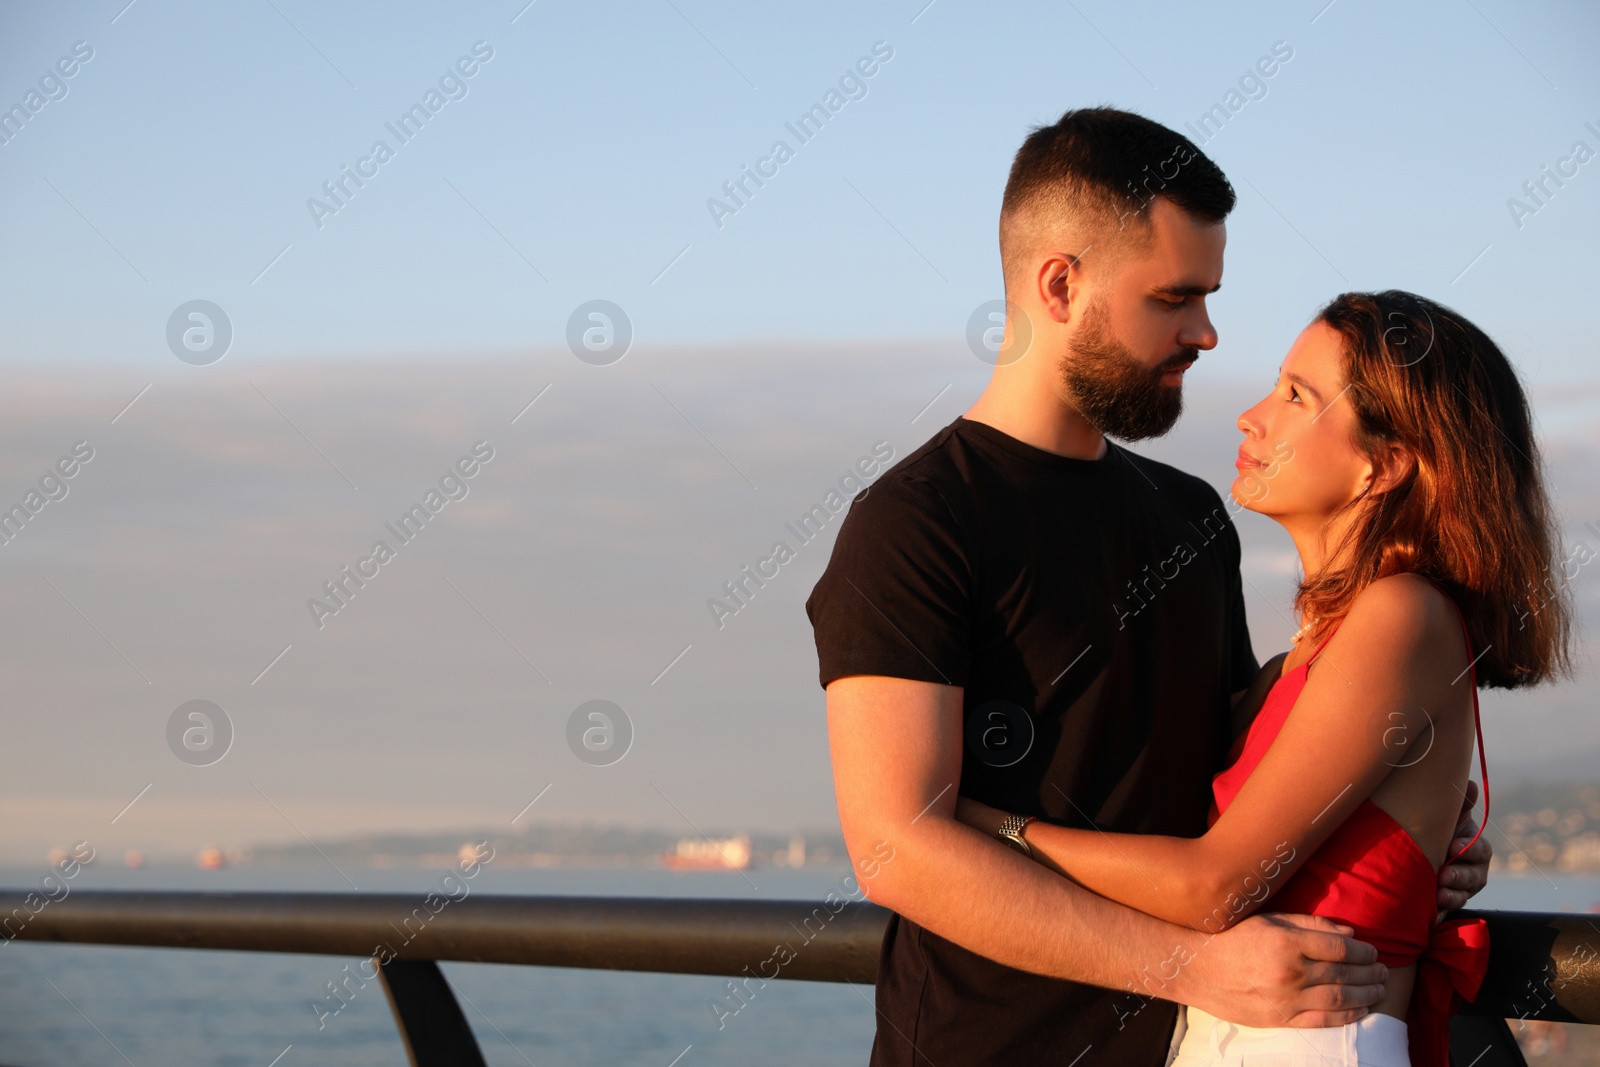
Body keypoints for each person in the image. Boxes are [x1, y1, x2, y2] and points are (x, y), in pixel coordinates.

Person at [805, 108, 1493, 1066]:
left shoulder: (1190, 517)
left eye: (1208, 296)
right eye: (1175, 298)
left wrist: (1403, 816)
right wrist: (1188, 966)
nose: (1206, 334)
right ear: (1061, 285)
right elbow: (895, 848)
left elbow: (1225, 766)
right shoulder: (919, 520)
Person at [958, 289, 1572, 1065]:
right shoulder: (1320, 646)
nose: (1252, 415)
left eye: (1294, 396)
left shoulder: (1402, 615)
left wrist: (988, 827)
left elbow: (1212, 886)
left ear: (1382, 465)